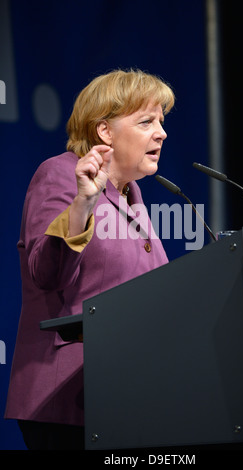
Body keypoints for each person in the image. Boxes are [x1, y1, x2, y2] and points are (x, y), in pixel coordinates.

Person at [4, 69, 175, 450]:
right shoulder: (60, 175)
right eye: (146, 121)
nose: (161, 132)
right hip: (68, 398)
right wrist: (83, 202)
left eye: (161, 122)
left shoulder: (134, 200)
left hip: (132, 397)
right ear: (105, 132)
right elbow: (46, 272)